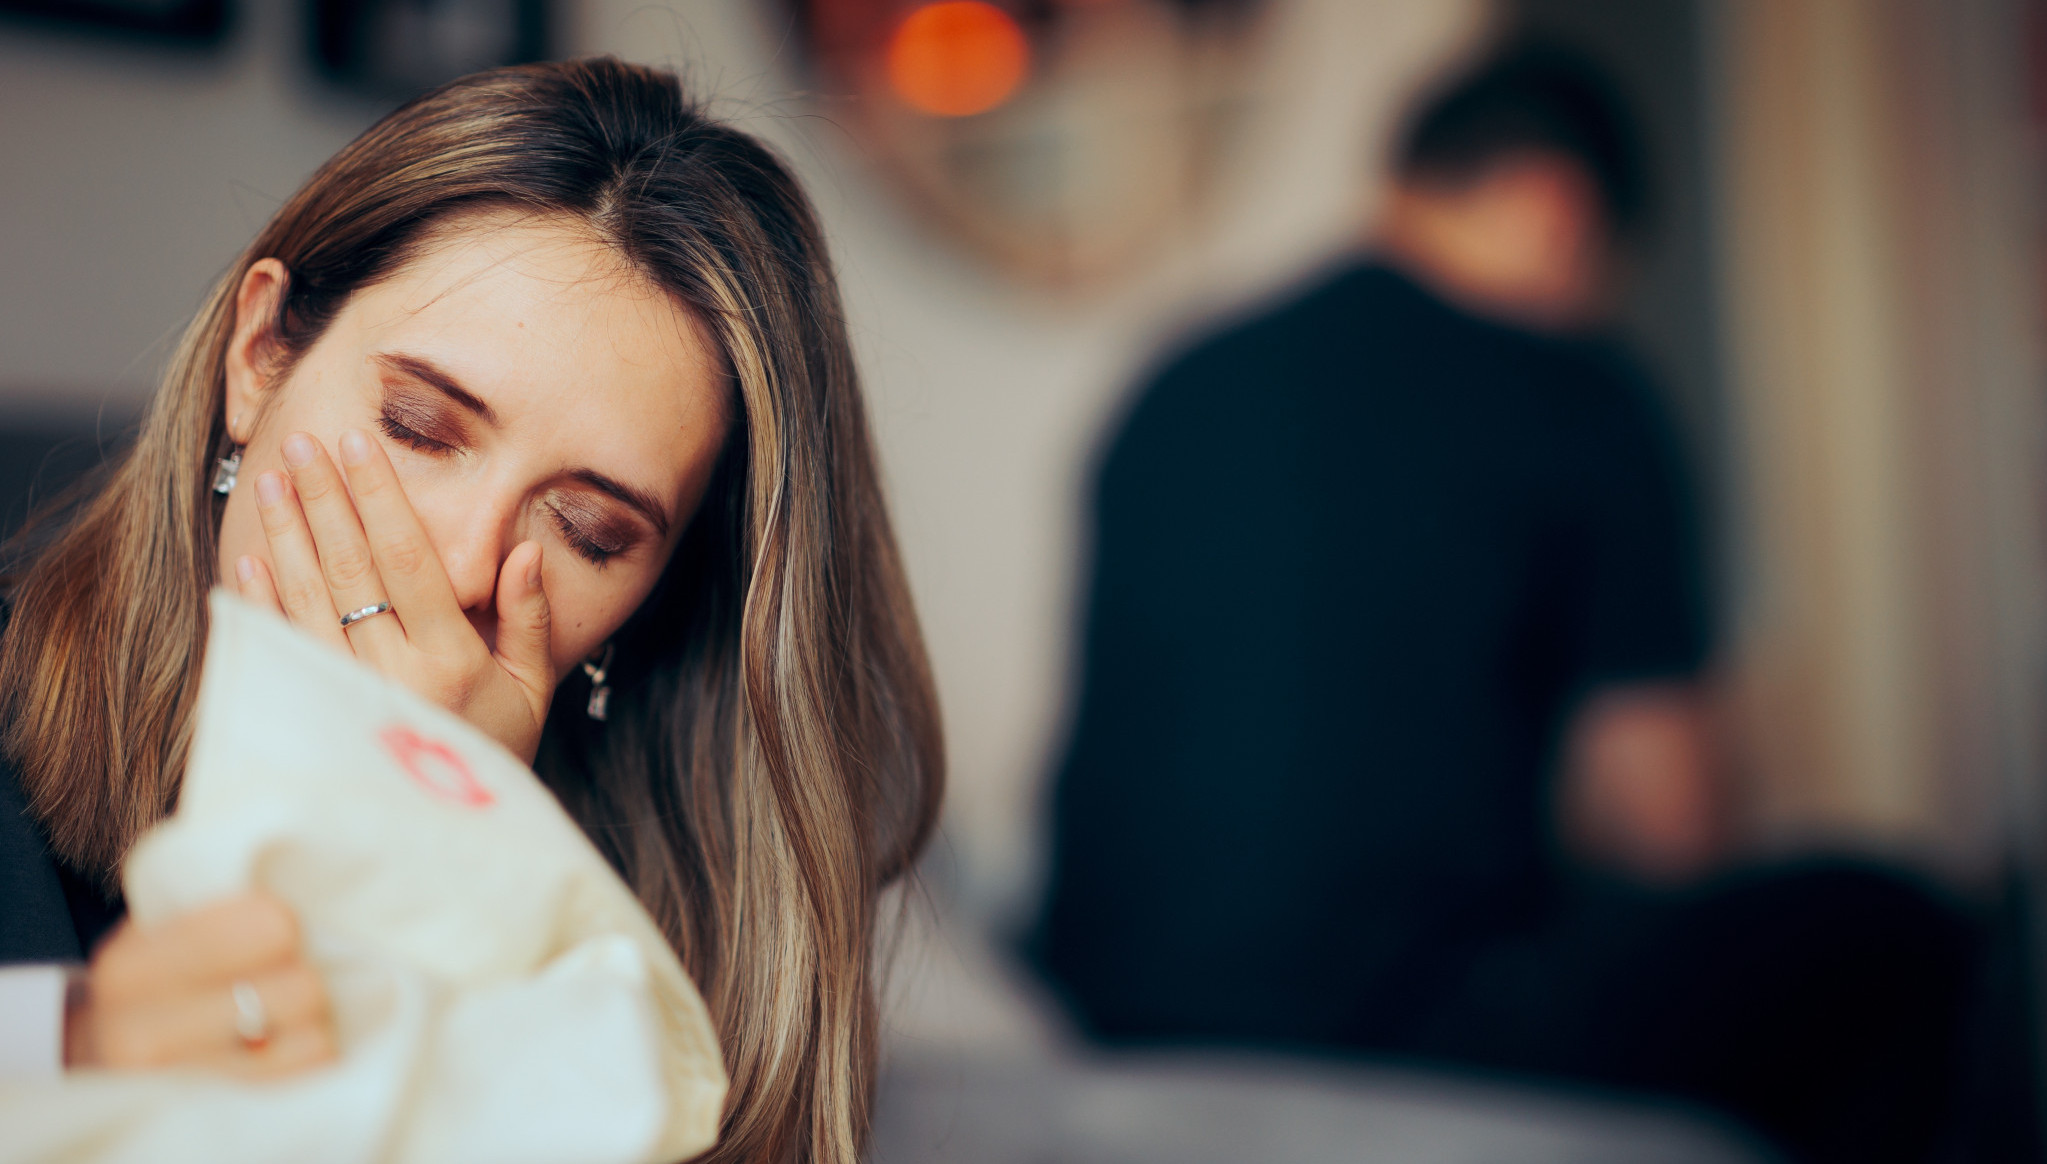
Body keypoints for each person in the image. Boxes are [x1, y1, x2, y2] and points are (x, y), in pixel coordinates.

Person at [1026, 44, 1976, 1164]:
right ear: (1558, 209)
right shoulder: (1577, 390)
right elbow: (1671, 825)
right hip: (1393, 1020)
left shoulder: (1177, 379)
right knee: (1903, 922)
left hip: (1113, 1008)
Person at [0, 57, 942, 1164]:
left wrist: (453, 868)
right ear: (259, 356)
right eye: (416, 426)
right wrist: (65, 1050)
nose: (458, 566)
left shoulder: (638, 982)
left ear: (656, 599)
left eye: (588, 533)